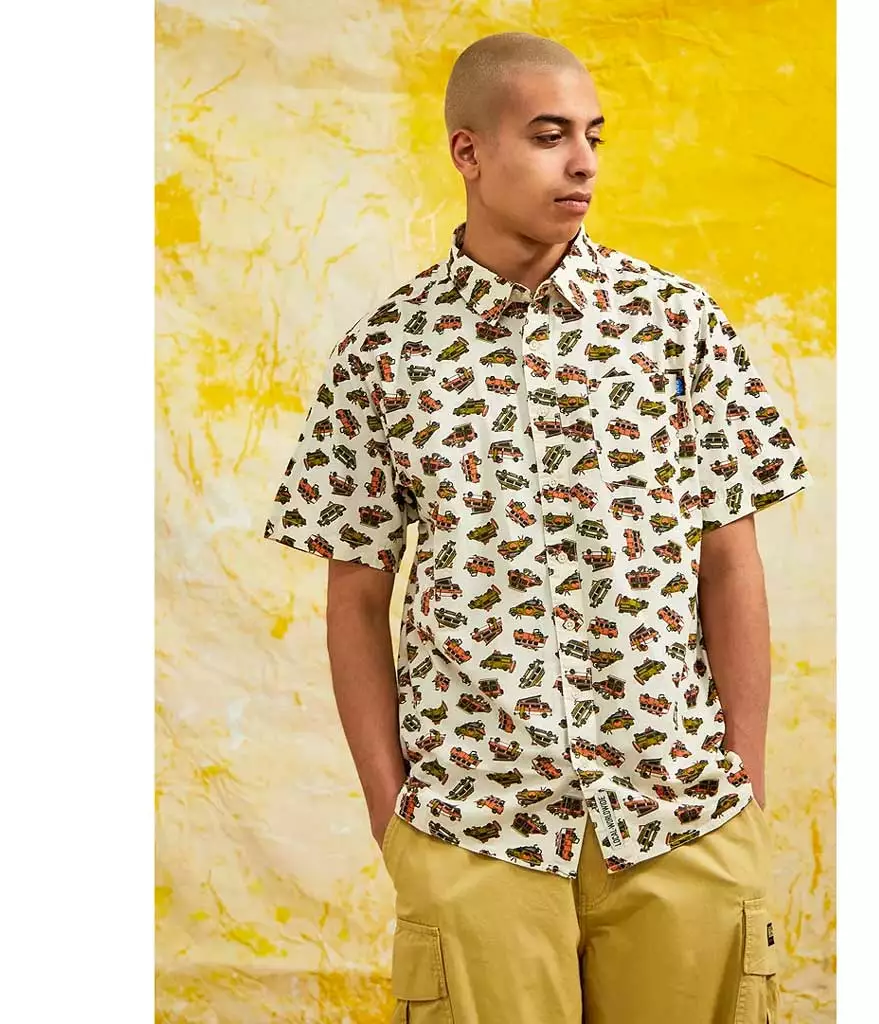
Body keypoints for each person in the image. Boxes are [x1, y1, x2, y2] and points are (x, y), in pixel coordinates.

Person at [264, 30, 813, 1024]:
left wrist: (743, 784)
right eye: (550, 135)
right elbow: (355, 598)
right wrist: (396, 820)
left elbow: (730, 565)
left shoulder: (675, 326)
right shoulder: (384, 353)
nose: (583, 162)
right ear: (468, 151)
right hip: (474, 831)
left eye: (593, 135)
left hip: (682, 816)